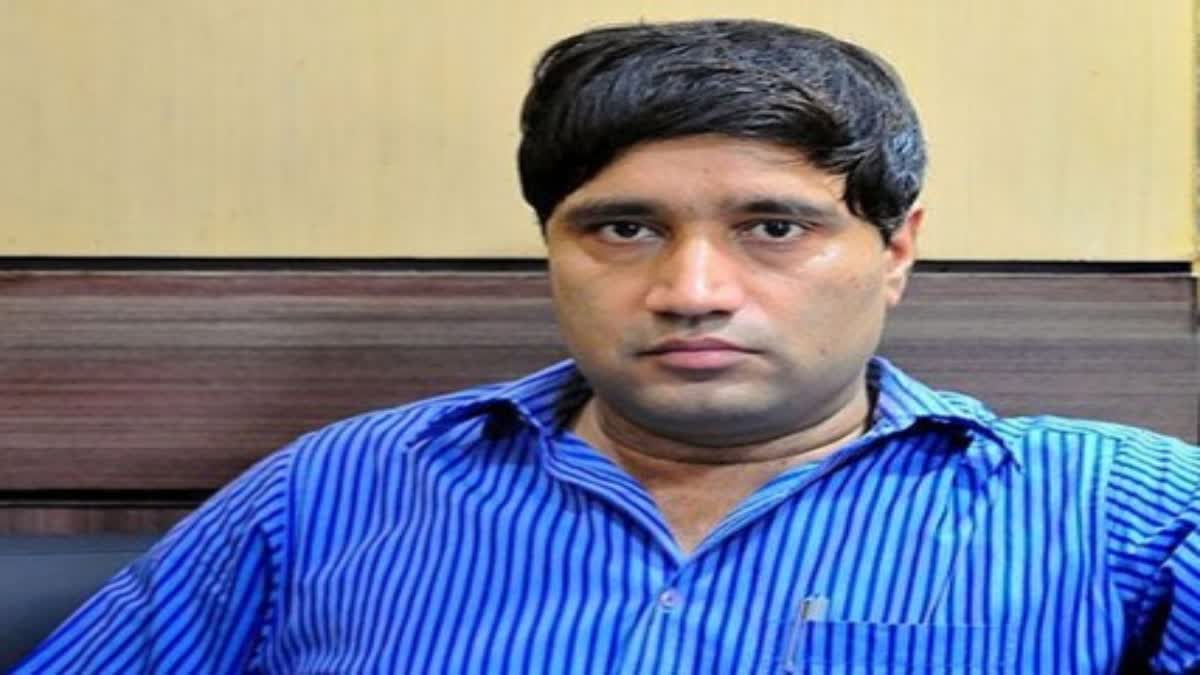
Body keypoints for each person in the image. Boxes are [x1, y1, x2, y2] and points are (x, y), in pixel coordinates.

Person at [16, 18, 1199, 674]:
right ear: (553, 245)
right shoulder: (335, 492)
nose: (692, 291)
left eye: (774, 228)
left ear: (896, 249)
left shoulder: (1128, 514)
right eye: (624, 229)